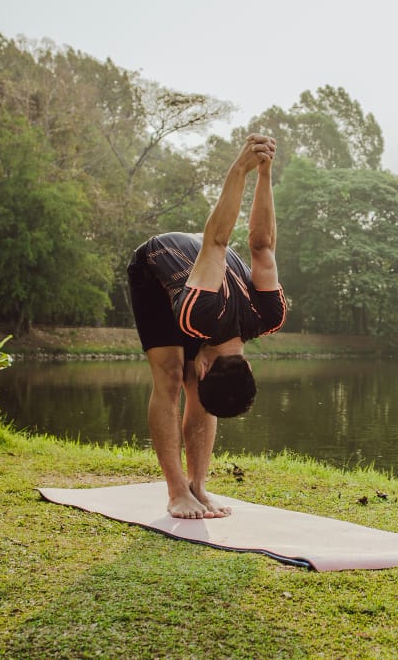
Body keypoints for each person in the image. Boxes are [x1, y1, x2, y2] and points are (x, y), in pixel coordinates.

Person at [126, 134, 286, 519]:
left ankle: (199, 485)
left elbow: (263, 246)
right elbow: (217, 239)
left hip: (204, 280)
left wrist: (266, 173)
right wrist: (242, 168)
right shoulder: (200, 311)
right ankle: (177, 490)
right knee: (170, 375)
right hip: (157, 265)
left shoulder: (270, 317)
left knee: (201, 393)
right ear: (206, 364)